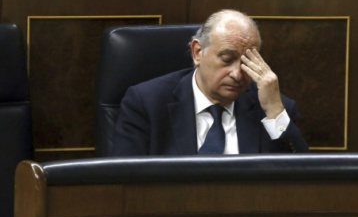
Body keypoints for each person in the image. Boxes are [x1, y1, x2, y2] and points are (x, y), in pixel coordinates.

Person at [111, 9, 309, 155]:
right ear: (198, 52)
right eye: (227, 59)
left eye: (247, 63)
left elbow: (302, 181)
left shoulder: (271, 108)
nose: (237, 74)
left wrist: (275, 112)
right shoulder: (146, 103)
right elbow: (124, 182)